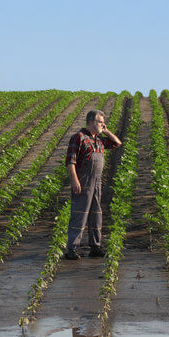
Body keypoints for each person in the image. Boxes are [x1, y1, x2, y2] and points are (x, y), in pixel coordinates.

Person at [63, 109, 122, 260]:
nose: (103, 124)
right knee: (79, 215)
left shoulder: (99, 140)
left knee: (96, 215)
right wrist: (75, 181)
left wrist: (106, 131)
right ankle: (72, 249)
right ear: (91, 122)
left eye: (103, 122)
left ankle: (95, 247)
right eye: (100, 122)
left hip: (97, 183)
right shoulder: (79, 138)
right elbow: (71, 162)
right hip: (83, 182)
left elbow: (117, 143)